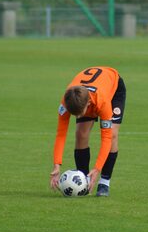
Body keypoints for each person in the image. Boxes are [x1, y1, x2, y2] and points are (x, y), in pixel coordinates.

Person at [49, 66, 126, 197]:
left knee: (112, 134)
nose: (78, 117)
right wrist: (56, 165)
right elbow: (61, 134)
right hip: (87, 93)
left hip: (113, 87)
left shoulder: (102, 102)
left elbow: (106, 138)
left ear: (88, 104)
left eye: (79, 113)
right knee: (80, 134)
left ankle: (104, 182)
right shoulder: (66, 102)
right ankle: (83, 180)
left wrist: (97, 169)